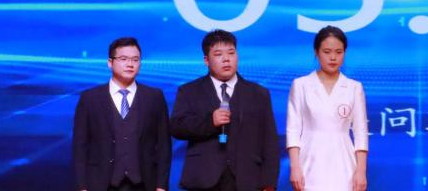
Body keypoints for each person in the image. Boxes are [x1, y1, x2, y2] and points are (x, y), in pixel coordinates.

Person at [169, 29, 279, 191]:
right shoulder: (189, 91)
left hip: (247, 179)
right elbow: (177, 127)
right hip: (203, 179)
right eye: (218, 54)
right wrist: (210, 122)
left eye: (231, 53)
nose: (226, 59)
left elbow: (269, 141)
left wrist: (269, 183)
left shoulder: (258, 94)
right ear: (206, 60)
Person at [72, 37, 171, 191]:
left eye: (135, 60)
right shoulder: (90, 98)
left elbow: (164, 145)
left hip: (144, 184)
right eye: (123, 59)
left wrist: (162, 186)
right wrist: (81, 186)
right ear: (110, 63)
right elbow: (80, 145)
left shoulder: (154, 97)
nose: (130, 64)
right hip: (100, 183)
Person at [286, 26, 369, 191]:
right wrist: (295, 167)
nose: (333, 57)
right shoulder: (301, 85)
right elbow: (293, 130)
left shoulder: (354, 87)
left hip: (344, 163)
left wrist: (361, 171)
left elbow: (361, 132)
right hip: (309, 161)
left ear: (345, 53)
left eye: (339, 52)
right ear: (316, 52)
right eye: (327, 52)